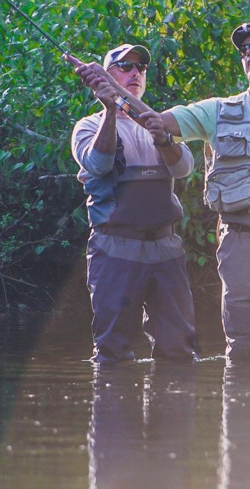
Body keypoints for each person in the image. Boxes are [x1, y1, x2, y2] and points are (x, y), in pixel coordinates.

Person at [74, 23, 250, 362]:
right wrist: (113, 91)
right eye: (244, 50)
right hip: (244, 240)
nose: (249, 53)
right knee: (245, 350)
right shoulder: (216, 110)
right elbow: (154, 121)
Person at [70, 43, 198, 363]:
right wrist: (112, 110)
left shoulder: (159, 122)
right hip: (115, 247)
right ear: (108, 75)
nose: (134, 73)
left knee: (179, 350)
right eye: (124, 66)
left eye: (140, 68)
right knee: (112, 351)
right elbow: (98, 165)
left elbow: (184, 169)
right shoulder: (87, 126)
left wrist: (164, 138)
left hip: (166, 247)